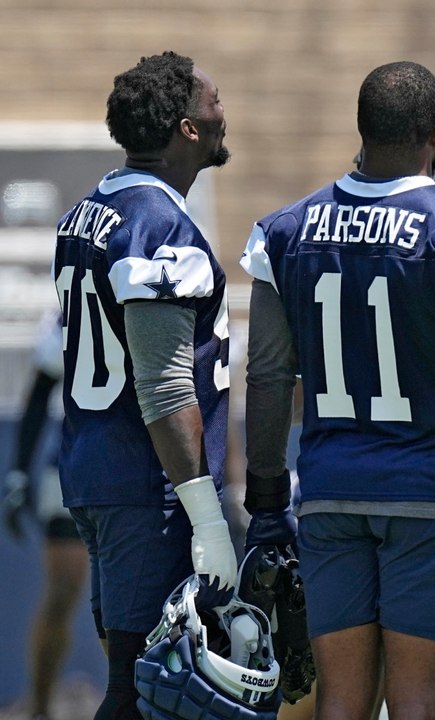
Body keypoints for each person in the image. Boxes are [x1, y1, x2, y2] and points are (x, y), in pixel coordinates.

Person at [240, 60, 435, 719]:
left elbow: (268, 376)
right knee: (417, 704)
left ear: (361, 129)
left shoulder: (284, 231)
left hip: (328, 494)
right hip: (433, 500)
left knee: (342, 704)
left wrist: (266, 500)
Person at [52, 51, 236, 720]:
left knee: (148, 680)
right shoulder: (156, 224)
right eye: (213, 104)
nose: (222, 116)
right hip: (148, 488)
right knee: (145, 690)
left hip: (102, 474)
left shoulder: (90, 209)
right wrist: (209, 517)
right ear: (187, 128)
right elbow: (164, 388)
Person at [1, 311, 88, 720]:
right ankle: (39, 706)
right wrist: (19, 471)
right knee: (62, 590)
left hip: (142, 467)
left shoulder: (158, 286)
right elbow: (40, 389)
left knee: (147, 598)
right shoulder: (75, 304)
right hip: (77, 463)